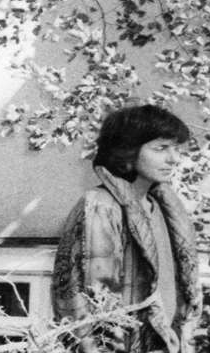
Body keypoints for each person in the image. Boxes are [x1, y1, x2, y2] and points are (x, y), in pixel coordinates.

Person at [51, 105, 201, 352]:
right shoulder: (101, 206)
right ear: (128, 152)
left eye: (176, 148)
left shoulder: (164, 209)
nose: (174, 158)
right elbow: (91, 306)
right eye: (161, 148)